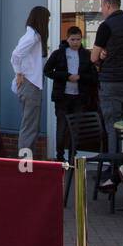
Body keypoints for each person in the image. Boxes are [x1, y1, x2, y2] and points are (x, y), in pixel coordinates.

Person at [92, 0, 123, 164]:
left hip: (111, 84)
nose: (101, 10)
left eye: (102, 6)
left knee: (112, 127)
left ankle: (113, 168)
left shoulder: (106, 26)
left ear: (107, 5)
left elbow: (93, 57)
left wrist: (102, 55)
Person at [43, 26, 98, 160]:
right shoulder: (58, 53)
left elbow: (93, 76)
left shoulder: (86, 54)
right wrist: (66, 76)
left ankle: (73, 155)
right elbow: (47, 71)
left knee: (76, 128)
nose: (75, 42)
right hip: (62, 96)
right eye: (72, 39)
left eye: (78, 39)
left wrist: (81, 77)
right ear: (67, 39)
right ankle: (60, 156)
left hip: (79, 97)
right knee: (61, 127)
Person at [11, 6, 49, 156]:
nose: (48, 22)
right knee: (30, 126)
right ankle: (25, 164)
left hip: (32, 84)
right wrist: (18, 73)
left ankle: (27, 162)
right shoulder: (32, 36)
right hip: (30, 85)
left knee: (31, 125)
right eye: (47, 19)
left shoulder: (33, 36)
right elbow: (15, 55)